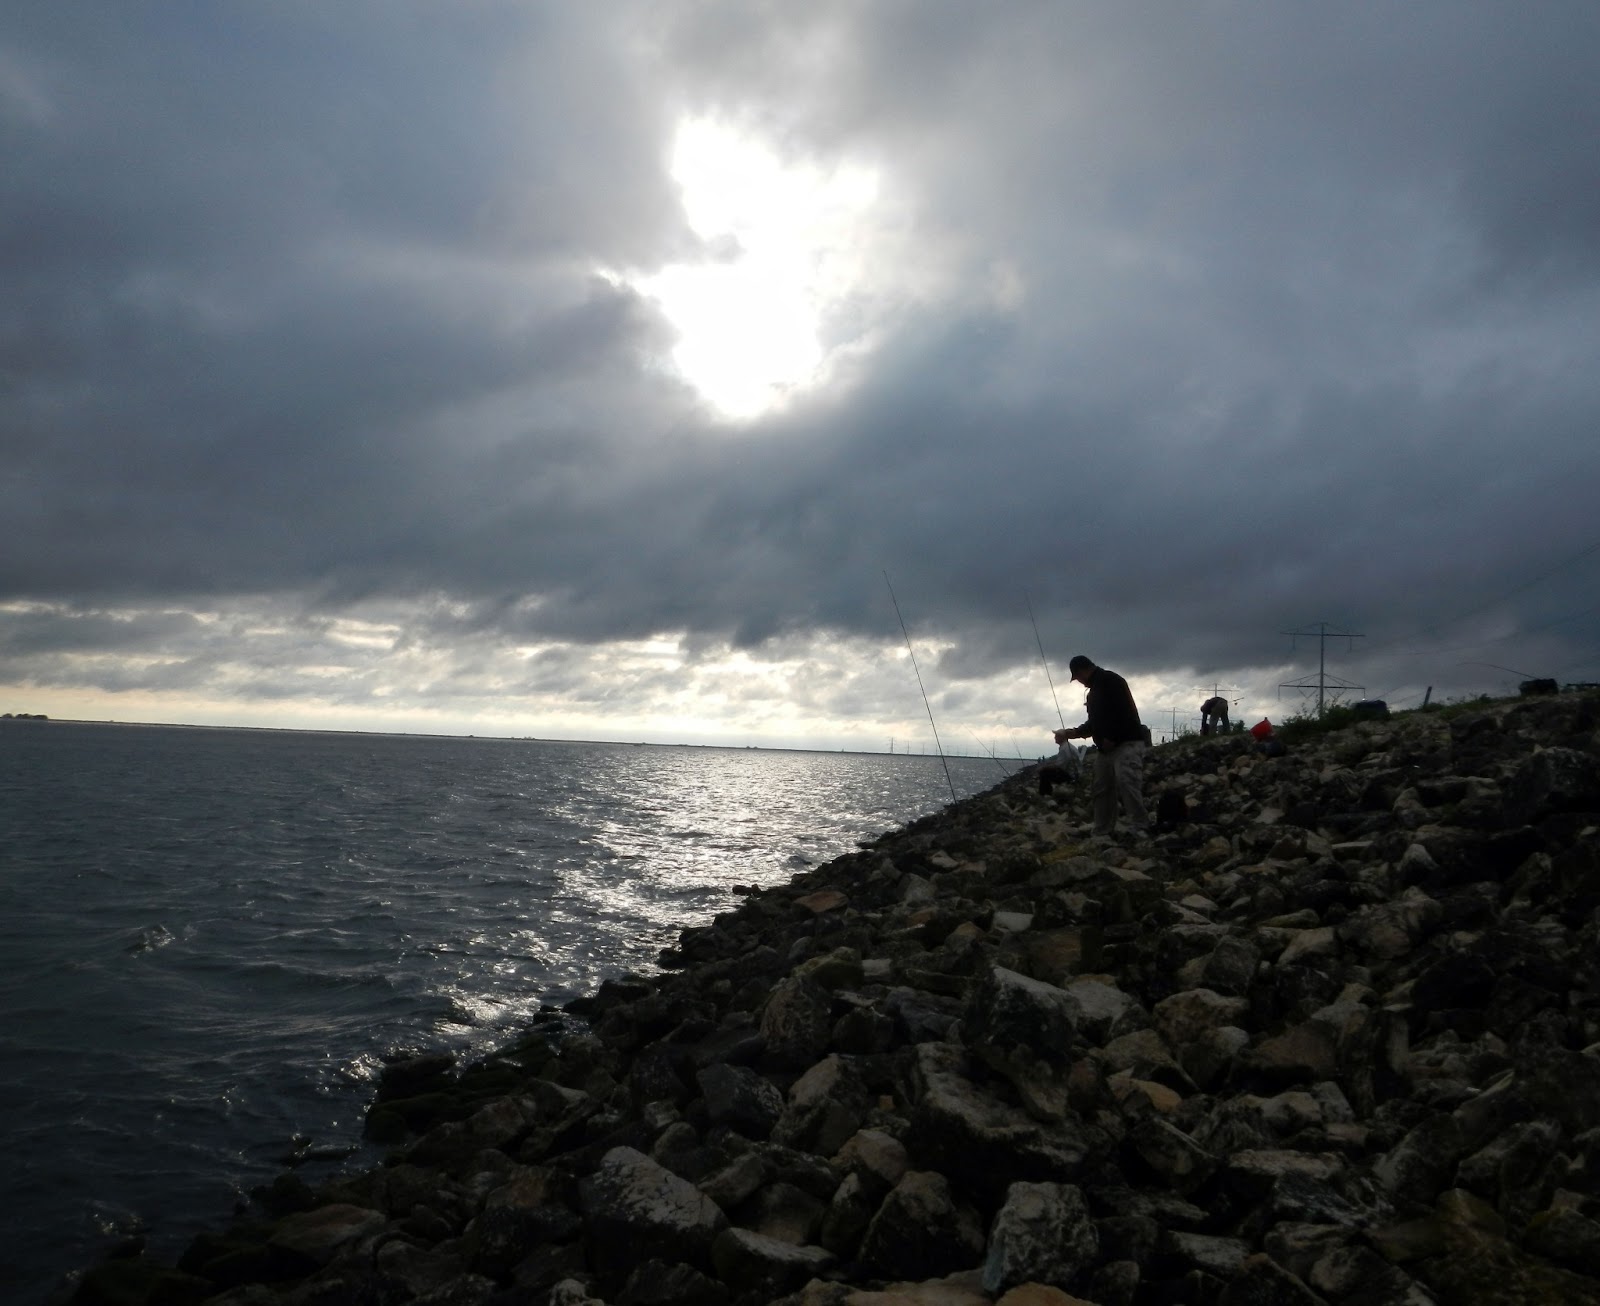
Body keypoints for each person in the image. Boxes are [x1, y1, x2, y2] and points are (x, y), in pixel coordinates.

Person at [1060, 655, 1150, 837]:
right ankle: (1102, 829)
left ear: (1082, 671)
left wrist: (1112, 737)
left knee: (1127, 781)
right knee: (1100, 787)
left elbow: (1124, 712)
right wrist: (1072, 733)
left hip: (1128, 743)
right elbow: (1094, 723)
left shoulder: (1112, 681)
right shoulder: (1093, 693)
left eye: (1076, 678)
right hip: (1105, 749)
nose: (1079, 682)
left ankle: (1140, 825)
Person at [1037, 727, 1082, 796]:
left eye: (1056, 736)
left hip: (1071, 776)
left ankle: (1045, 794)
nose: (1054, 737)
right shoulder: (1066, 746)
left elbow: (1059, 766)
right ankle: (1046, 793)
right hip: (1075, 774)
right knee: (1046, 770)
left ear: (1061, 737)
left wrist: (1044, 768)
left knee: (1044, 772)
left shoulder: (1064, 748)